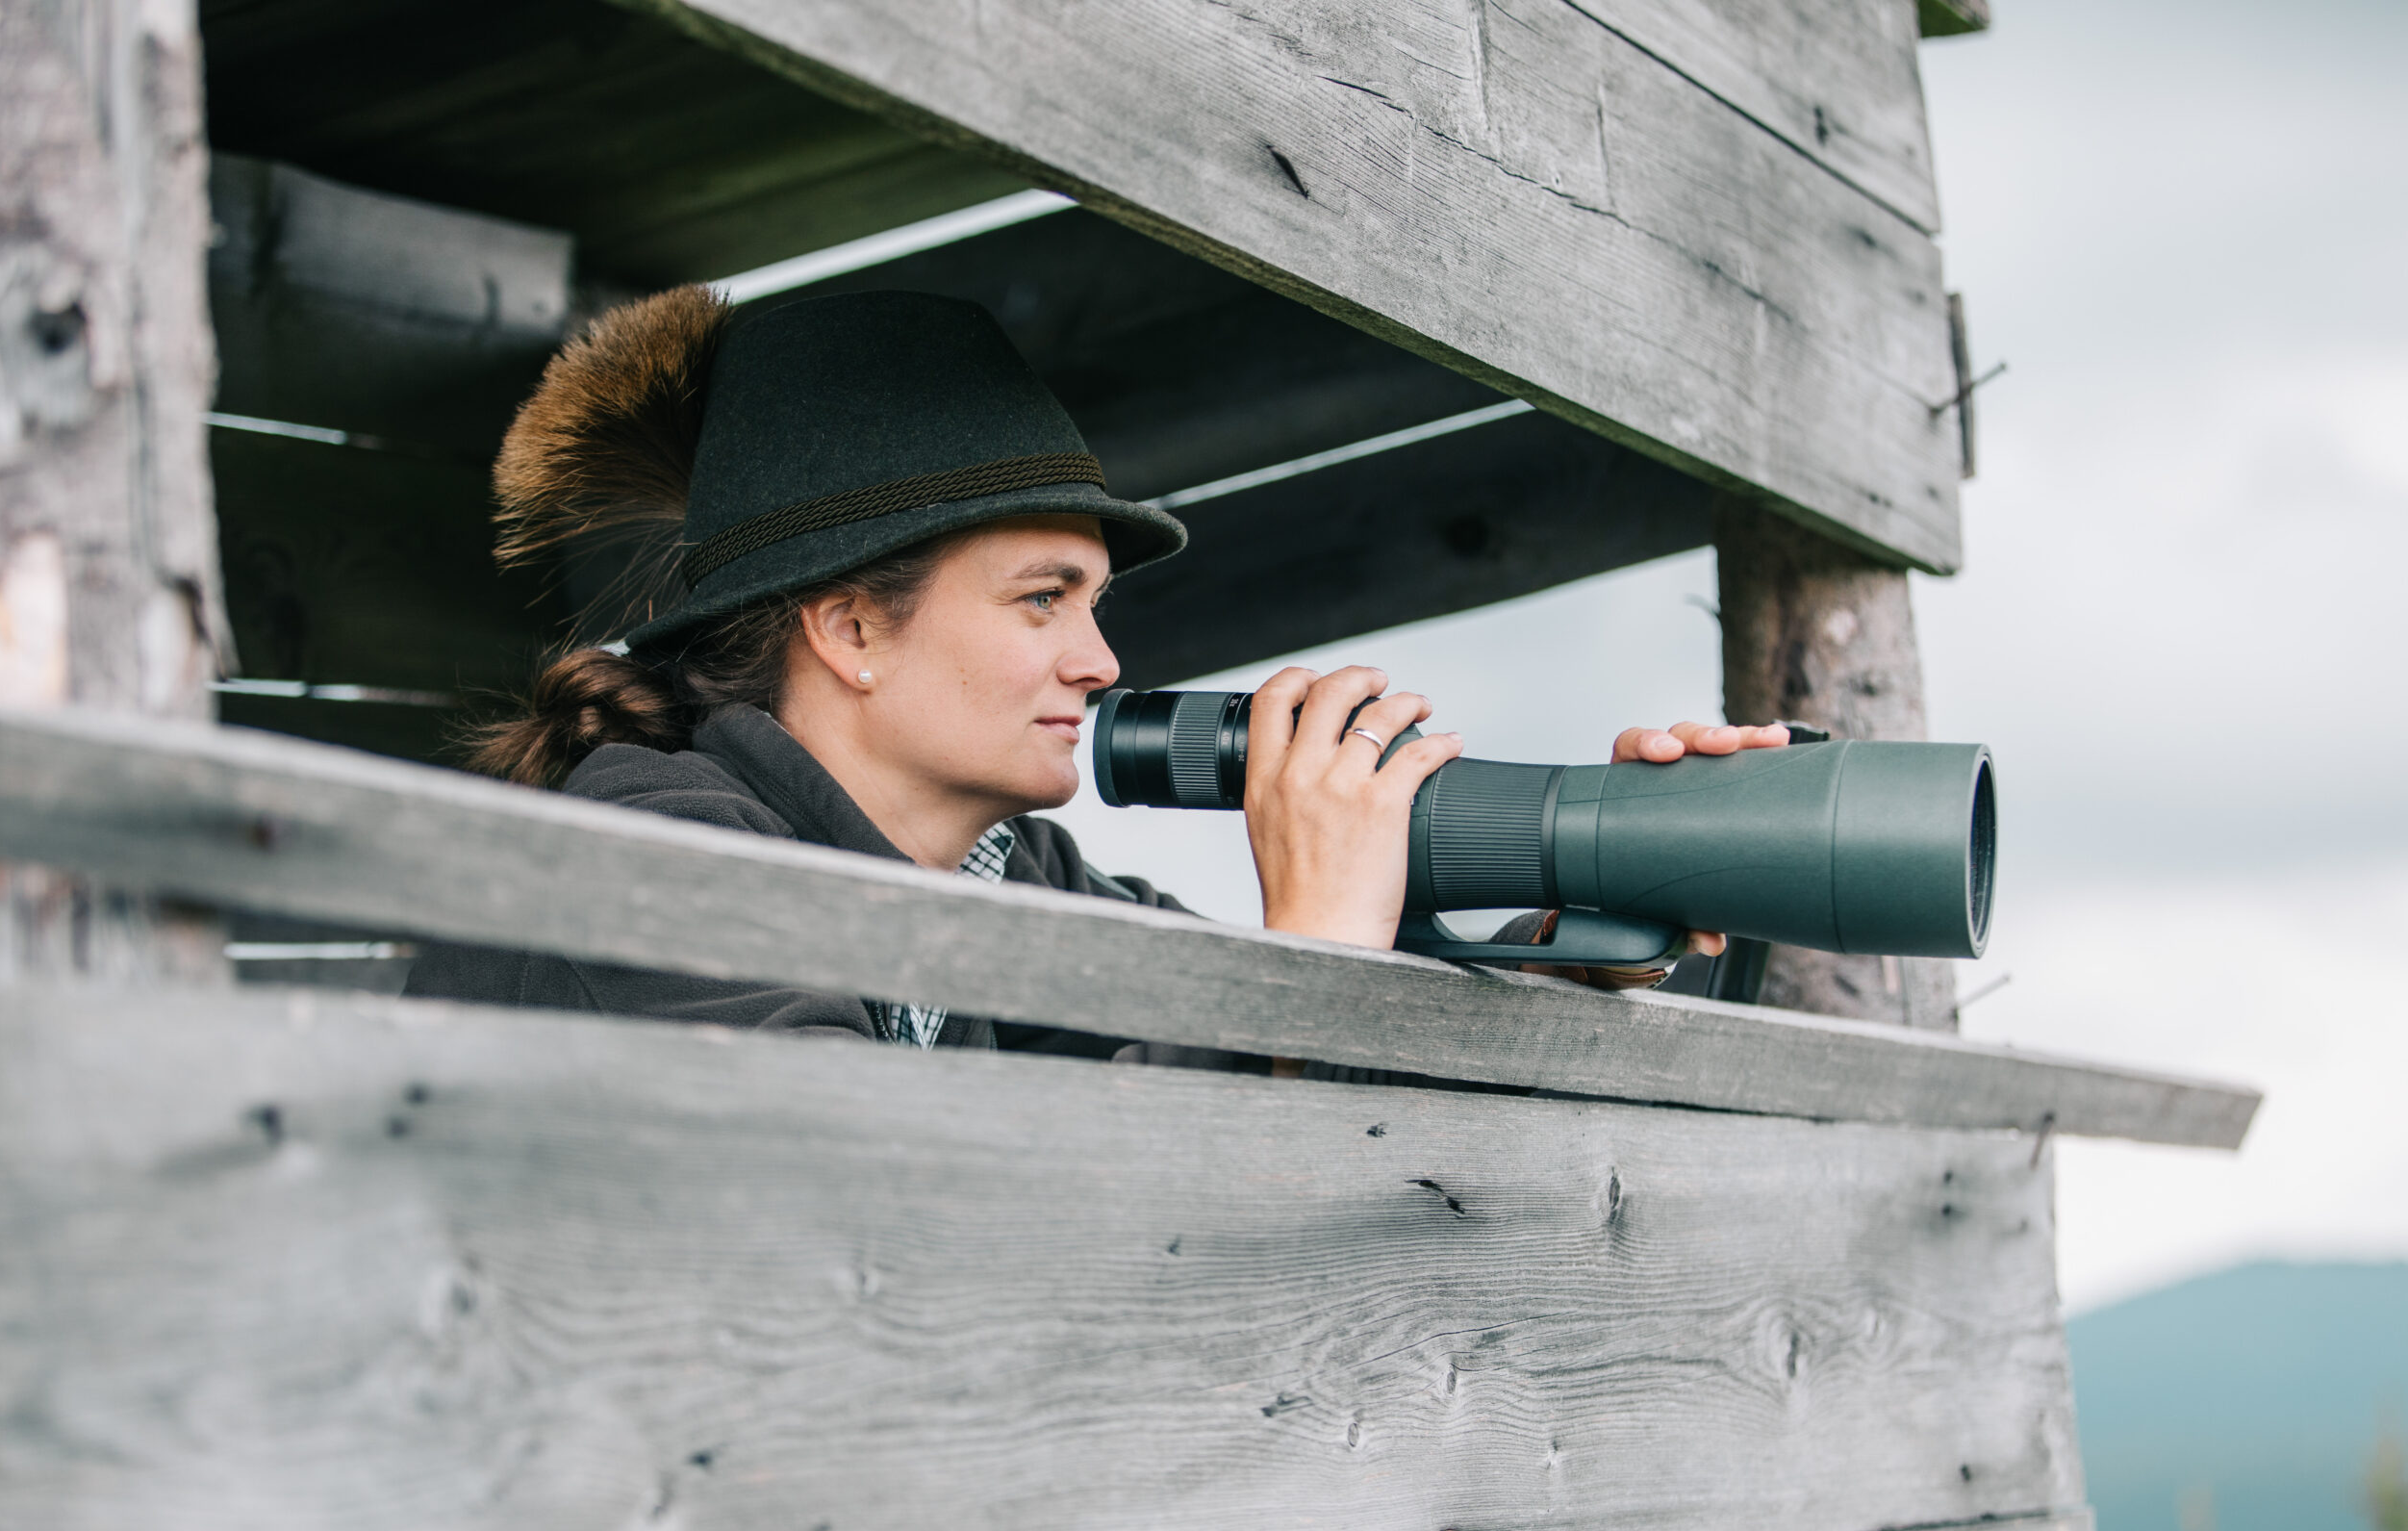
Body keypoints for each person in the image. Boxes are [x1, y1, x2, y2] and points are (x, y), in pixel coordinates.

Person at [404, 287, 1786, 1058]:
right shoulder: (652, 857)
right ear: (852, 630)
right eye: (1041, 601)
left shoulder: (1013, 877)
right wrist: (1309, 947)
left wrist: (1574, 949)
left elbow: (1240, 1061)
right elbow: (884, 1225)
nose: (1102, 659)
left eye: (1096, 603)